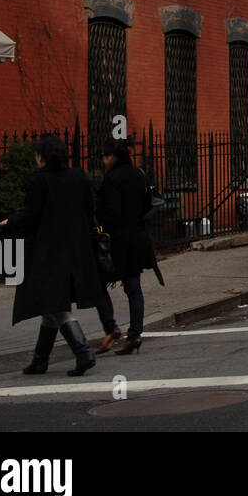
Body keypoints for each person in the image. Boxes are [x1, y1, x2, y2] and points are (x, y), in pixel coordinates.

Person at [1, 134, 105, 377]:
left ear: (42, 157)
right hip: (77, 250)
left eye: (37, 154)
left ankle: (82, 351)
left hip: (49, 253)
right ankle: (40, 360)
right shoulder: (78, 177)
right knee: (51, 303)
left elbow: (31, 215)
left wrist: (11, 221)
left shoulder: (39, 181)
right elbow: (90, 210)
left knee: (54, 303)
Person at [95, 137, 162, 356]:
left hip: (119, 242)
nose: (103, 160)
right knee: (133, 287)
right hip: (139, 238)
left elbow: (111, 212)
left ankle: (111, 327)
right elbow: (148, 204)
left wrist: (101, 227)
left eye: (104, 156)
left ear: (112, 156)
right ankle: (134, 335)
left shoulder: (112, 179)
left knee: (98, 284)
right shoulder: (139, 174)